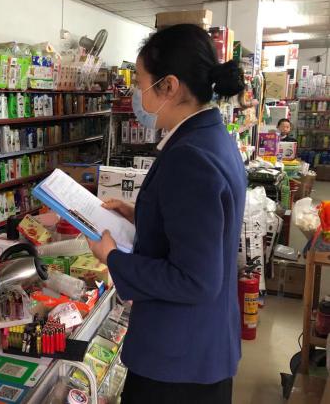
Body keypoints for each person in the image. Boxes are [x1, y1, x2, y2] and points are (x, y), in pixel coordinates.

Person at [88, 24, 247, 404]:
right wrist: (140, 215)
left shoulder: (189, 158)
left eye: (140, 83)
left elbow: (194, 280)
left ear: (169, 86)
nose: (136, 95)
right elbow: (205, 228)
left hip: (178, 362)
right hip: (203, 347)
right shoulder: (213, 137)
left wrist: (113, 258)